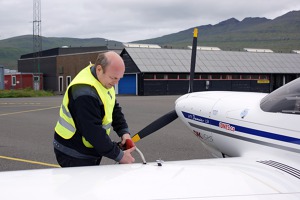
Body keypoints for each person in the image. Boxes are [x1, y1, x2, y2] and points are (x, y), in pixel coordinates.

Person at [53, 51, 136, 167]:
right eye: (114, 78)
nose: (116, 83)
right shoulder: (84, 93)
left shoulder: (105, 81)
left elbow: (113, 107)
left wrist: (124, 132)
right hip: (73, 153)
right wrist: (120, 156)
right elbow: (93, 131)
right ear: (99, 69)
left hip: (89, 149)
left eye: (119, 78)